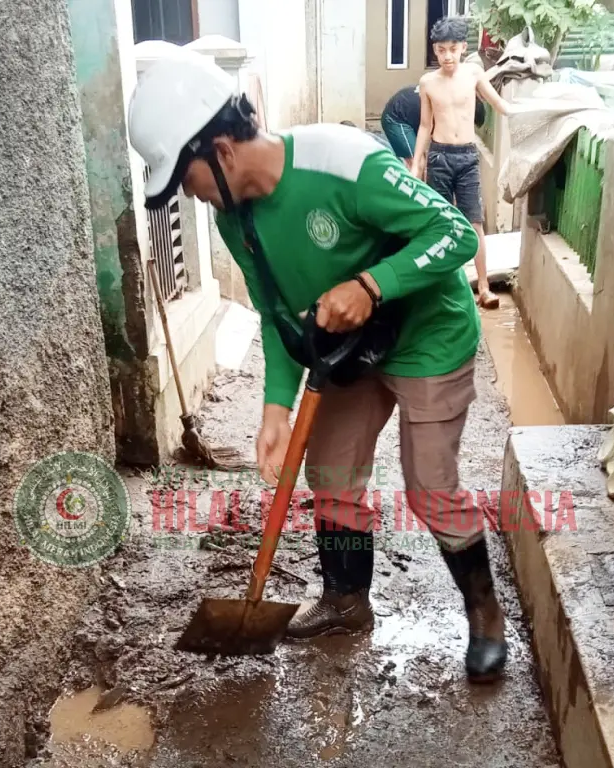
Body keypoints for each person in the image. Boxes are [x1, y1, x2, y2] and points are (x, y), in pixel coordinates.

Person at [126, 50, 508, 683]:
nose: (188, 195)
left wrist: (373, 284)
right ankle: (345, 601)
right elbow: (280, 318)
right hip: (348, 350)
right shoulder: (234, 219)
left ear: (219, 150)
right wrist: (276, 408)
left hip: (427, 337)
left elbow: (456, 234)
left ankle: (485, 614)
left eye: (183, 178)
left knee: (429, 486)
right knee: (329, 470)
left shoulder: (344, 163)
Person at [412, 16, 517, 310]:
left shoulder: (473, 74)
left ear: (462, 47)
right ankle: (444, 287)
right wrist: (417, 162)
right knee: (441, 223)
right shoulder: (427, 82)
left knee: (474, 223)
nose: (447, 56)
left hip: (467, 157)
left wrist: (531, 112)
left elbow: (502, 106)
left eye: (453, 49)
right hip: (440, 155)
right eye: (441, 50)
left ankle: (483, 287)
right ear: (435, 51)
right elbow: (424, 125)